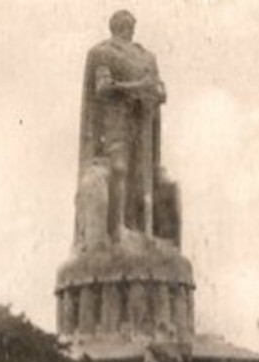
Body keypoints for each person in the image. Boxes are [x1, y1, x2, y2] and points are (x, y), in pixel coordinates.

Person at [78, 10, 169, 244]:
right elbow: (103, 88)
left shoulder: (146, 56)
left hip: (142, 122)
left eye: (132, 25)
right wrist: (139, 86)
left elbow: (160, 90)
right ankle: (117, 228)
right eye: (126, 25)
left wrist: (156, 93)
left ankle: (141, 229)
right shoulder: (104, 53)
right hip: (115, 118)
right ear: (116, 27)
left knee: (143, 173)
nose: (130, 29)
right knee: (119, 168)